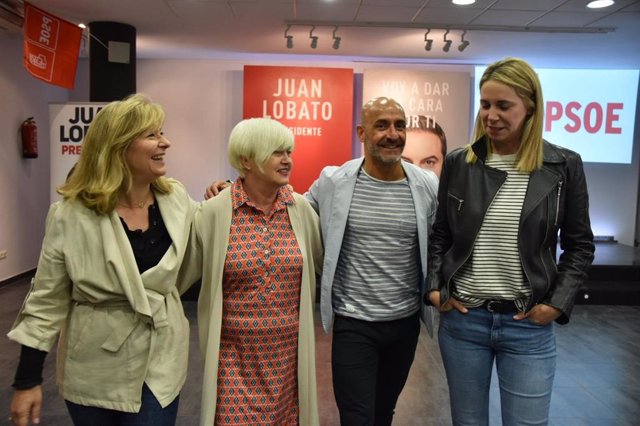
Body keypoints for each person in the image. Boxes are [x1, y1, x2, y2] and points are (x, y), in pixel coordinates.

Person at [7, 94, 197, 426]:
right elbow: (46, 300)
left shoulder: (177, 199)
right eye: (152, 135)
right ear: (118, 145)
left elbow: (212, 235)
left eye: (161, 133)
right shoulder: (70, 215)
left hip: (160, 360)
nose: (165, 142)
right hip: (92, 365)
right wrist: (27, 380)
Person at [426, 57, 595, 426]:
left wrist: (556, 304)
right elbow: (441, 233)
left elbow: (580, 244)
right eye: (485, 104)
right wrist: (436, 288)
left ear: (530, 106)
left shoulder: (563, 165)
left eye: (504, 105)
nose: (491, 115)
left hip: (528, 326)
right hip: (464, 323)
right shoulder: (460, 163)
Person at [181, 117, 323, 425]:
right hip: (234, 360)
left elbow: (323, 264)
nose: (287, 160)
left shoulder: (301, 211)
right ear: (246, 160)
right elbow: (180, 276)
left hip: (289, 361)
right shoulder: (214, 212)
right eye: (276, 152)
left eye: (288, 151)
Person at [305, 97, 439, 425]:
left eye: (399, 125)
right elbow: (291, 210)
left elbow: (440, 242)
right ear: (362, 133)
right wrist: (232, 191)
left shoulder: (426, 185)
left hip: (405, 325)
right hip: (354, 324)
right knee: (357, 417)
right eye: (382, 125)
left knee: (383, 413)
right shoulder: (334, 182)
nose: (392, 134)